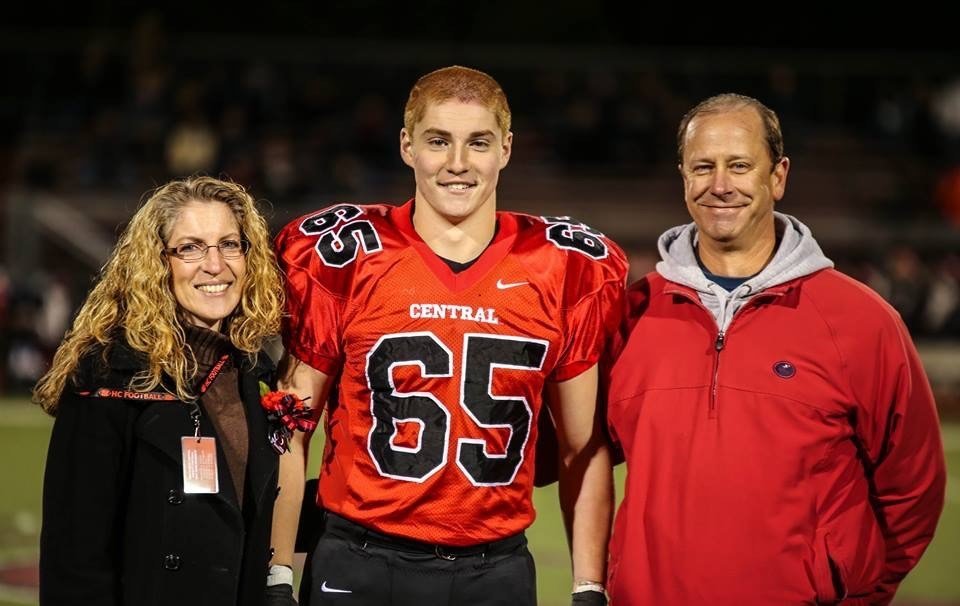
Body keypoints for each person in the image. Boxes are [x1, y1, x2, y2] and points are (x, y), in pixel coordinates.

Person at [268, 65, 628, 606]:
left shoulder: (563, 265)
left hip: (495, 567)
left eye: (477, 142)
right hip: (358, 557)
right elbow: (290, 428)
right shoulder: (347, 256)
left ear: (506, 148)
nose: (458, 164)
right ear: (407, 145)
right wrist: (277, 574)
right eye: (439, 141)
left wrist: (588, 587)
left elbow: (582, 447)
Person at [605, 93, 947, 605]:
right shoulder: (631, 314)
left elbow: (913, 488)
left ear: (778, 176)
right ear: (683, 177)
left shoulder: (862, 321)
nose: (720, 185)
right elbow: (576, 457)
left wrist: (856, 594)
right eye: (704, 166)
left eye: (740, 165)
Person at [34, 176, 286, 606]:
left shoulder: (252, 370)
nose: (215, 264)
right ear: (157, 261)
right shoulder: (110, 374)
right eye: (190, 247)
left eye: (229, 244)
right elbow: (74, 556)